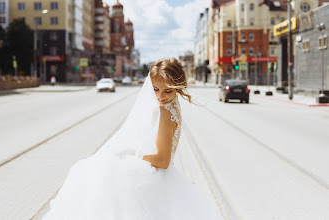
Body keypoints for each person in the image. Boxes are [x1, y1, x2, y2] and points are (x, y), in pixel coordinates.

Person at [41, 58, 224, 220]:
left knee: (101, 180)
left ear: (178, 87)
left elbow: (163, 160)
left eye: (167, 91)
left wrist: (132, 157)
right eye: (155, 89)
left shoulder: (165, 112)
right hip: (163, 178)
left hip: (156, 178)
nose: (160, 96)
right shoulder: (172, 106)